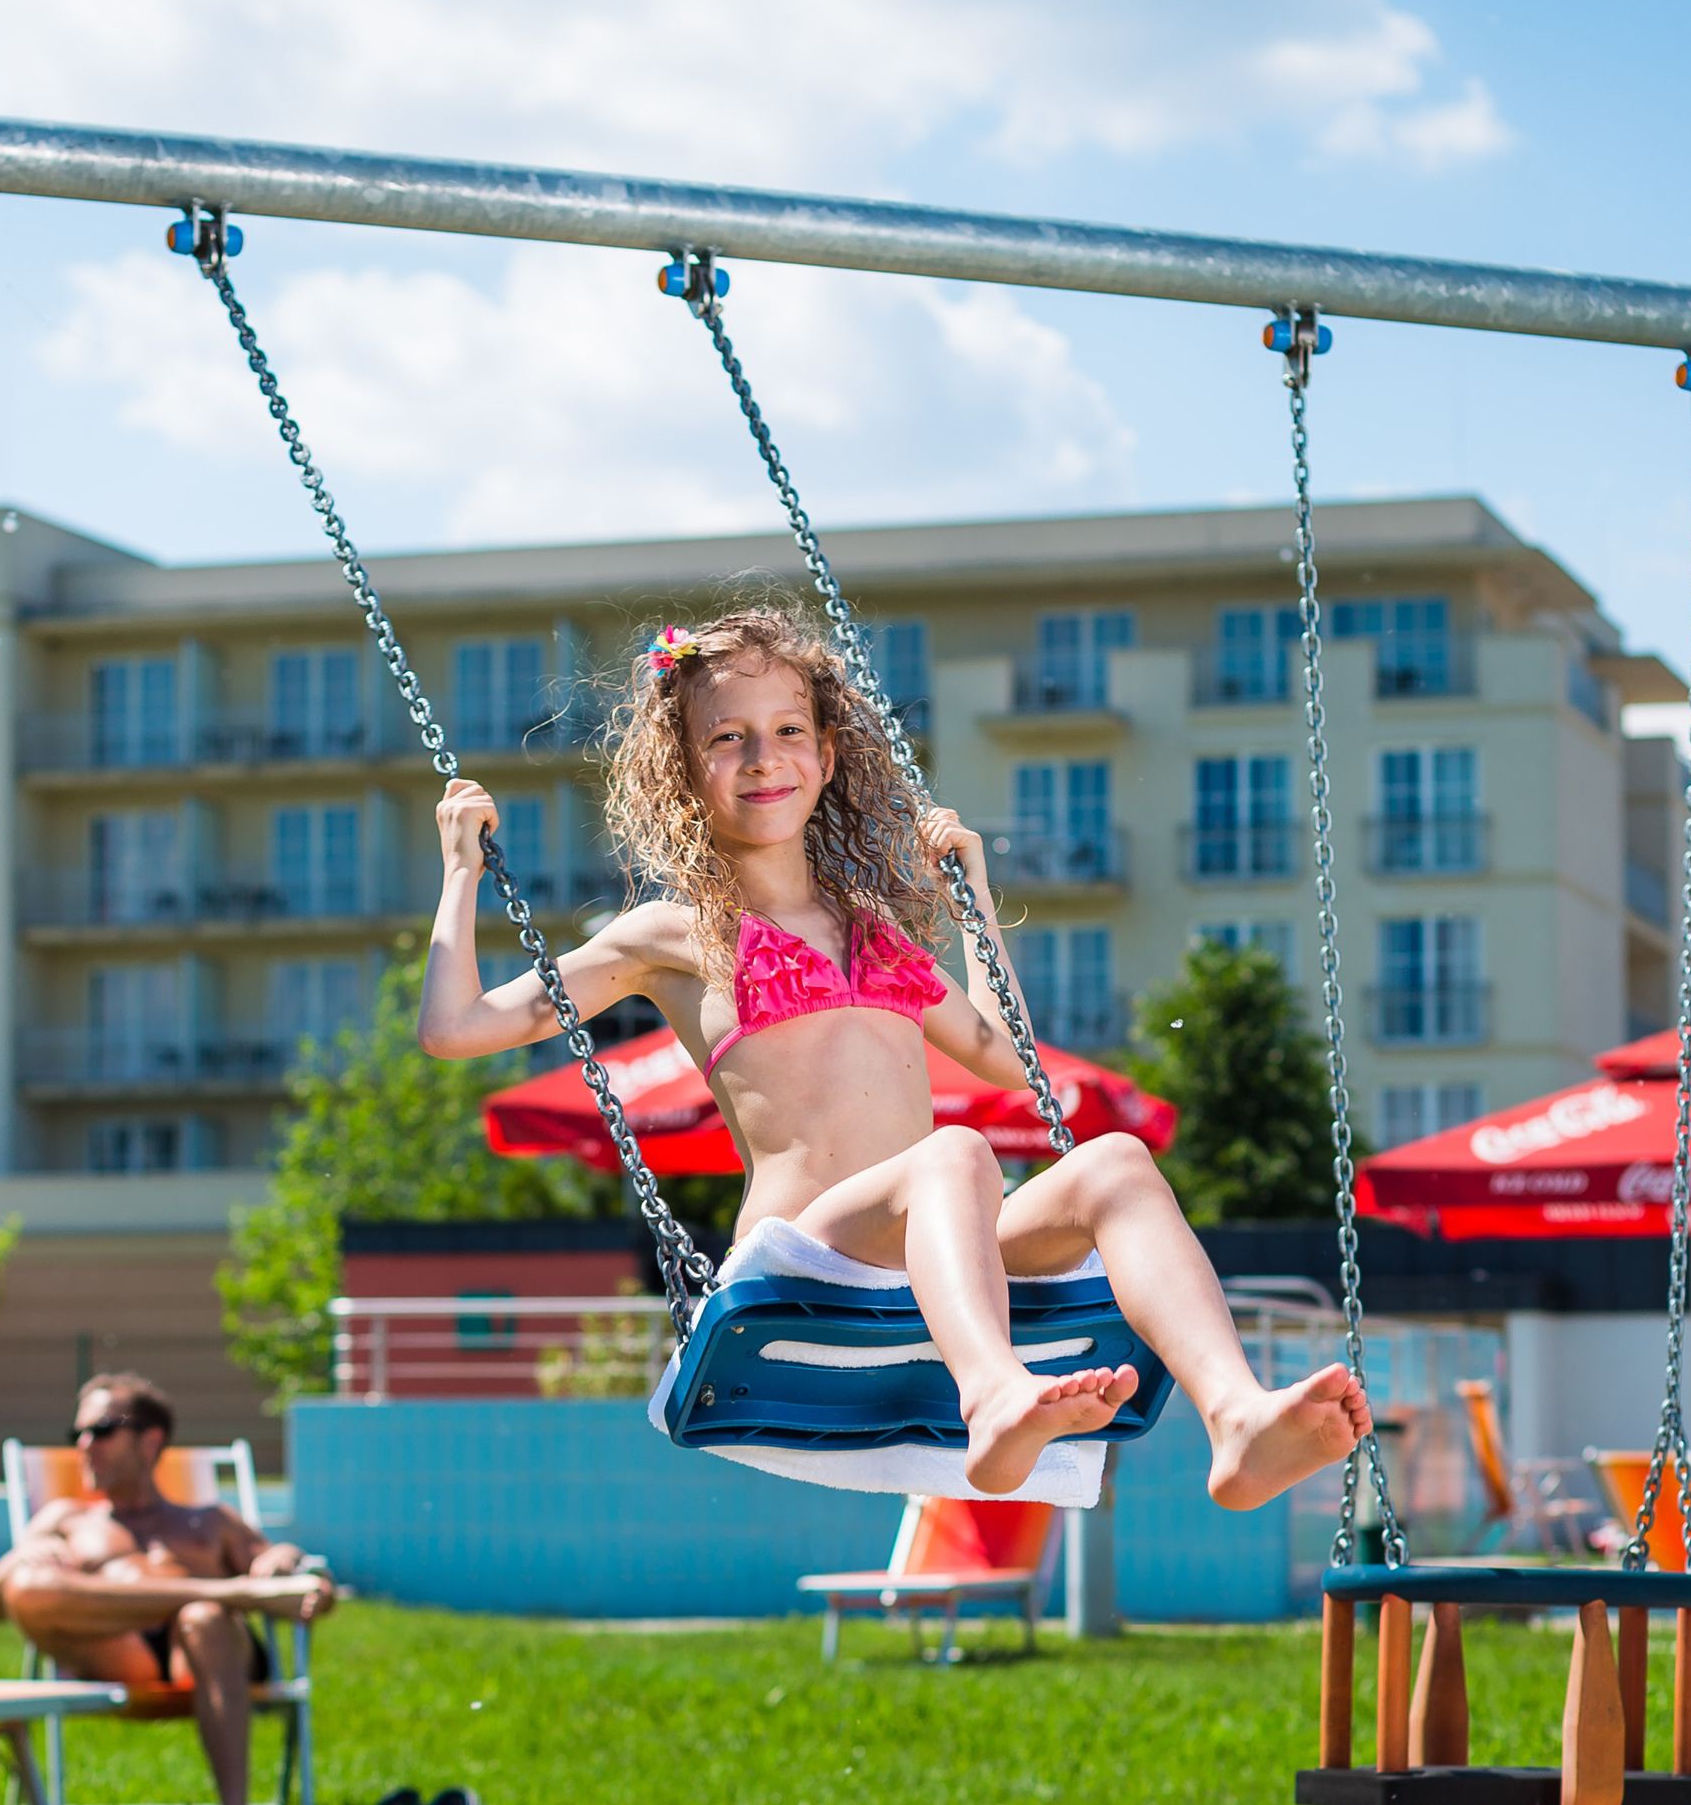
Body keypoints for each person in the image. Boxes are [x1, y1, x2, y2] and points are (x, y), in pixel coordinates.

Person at [412, 604, 1369, 1505]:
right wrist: (463, 871)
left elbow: (1005, 1054)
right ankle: (995, 1394)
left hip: (935, 1255)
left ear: (828, 757)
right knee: (954, 1154)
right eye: (726, 737)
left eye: (788, 731)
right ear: (684, 769)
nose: (762, 758)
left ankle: (1238, 1418)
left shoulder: (874, 935)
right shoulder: (675, 930)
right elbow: (455, 1030)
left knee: (1113, 1163)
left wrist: (974, 901)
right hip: (805, 1257)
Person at [0, 1374, 336, 1805]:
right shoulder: (65, 1519)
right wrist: (22, 1556)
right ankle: (228, 1595)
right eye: (76, 1434)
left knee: (203, 1617)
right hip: (118, 1654)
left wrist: (284, 1562)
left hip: (206, 1655)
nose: (83, 1445)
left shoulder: (209, 1521)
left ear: (150, 1441)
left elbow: (292, 1577)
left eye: (101, 1430)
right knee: (30, 1587)